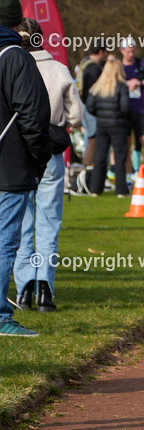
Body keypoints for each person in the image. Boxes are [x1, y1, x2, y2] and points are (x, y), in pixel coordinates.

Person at [12, 18, 81, 312]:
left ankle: (25, 286)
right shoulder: (59, 69)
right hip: (50, 151)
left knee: (22, 223)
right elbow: (76, 116)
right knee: (49, 224)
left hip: (18, 153)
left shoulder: (12, 67)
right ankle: (45, 289)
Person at [0, 0, 51, 337]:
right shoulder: (17, 57)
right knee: (4, 241)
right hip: (10, 164)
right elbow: (33, 116)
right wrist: (39, 155)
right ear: (18, 23)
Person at [85, 56, 132, 196]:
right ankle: (121, 190)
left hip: (102, 125)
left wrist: (100, 114)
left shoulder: (97, 87)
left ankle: (95, 188)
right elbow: (125, 107)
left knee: (100, 156)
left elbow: (90, 106)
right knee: (119, 157)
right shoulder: (122, 86)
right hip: (118, 125)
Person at [119, 37, 144, 168]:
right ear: (122, 51)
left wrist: (140, 82)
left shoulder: (141, 64)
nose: (131, 54)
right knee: (126, 144)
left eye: (133, 51)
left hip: (141, 111)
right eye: (128, 51)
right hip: (124, 110)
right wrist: (126, 84)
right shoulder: (118, 66)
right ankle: (128, 174)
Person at [75, 41, 106, 168]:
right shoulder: (94, 69)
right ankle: (88, 166)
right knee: (93, 139)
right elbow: (95, 91)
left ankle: (88, 166)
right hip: (91, 109)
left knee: (90, 137)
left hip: (84, 105)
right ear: (101, 52)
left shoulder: (84, 63)